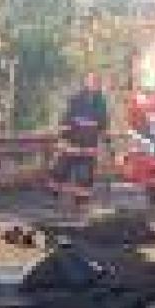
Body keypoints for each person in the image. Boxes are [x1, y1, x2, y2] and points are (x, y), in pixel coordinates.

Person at [54, 72, 111, 212]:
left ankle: (81, 204)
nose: (94, 84)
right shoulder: (76, 99)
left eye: (96, 81)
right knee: (60, 171)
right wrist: (63, 140)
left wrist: (107, 145)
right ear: (86, 82)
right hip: (72, 144)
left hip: (89, 147)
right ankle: (56, 201)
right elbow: (66, 121)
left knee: (84, 176)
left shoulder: (101, 103)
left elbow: (103, 126)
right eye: (91, 81)